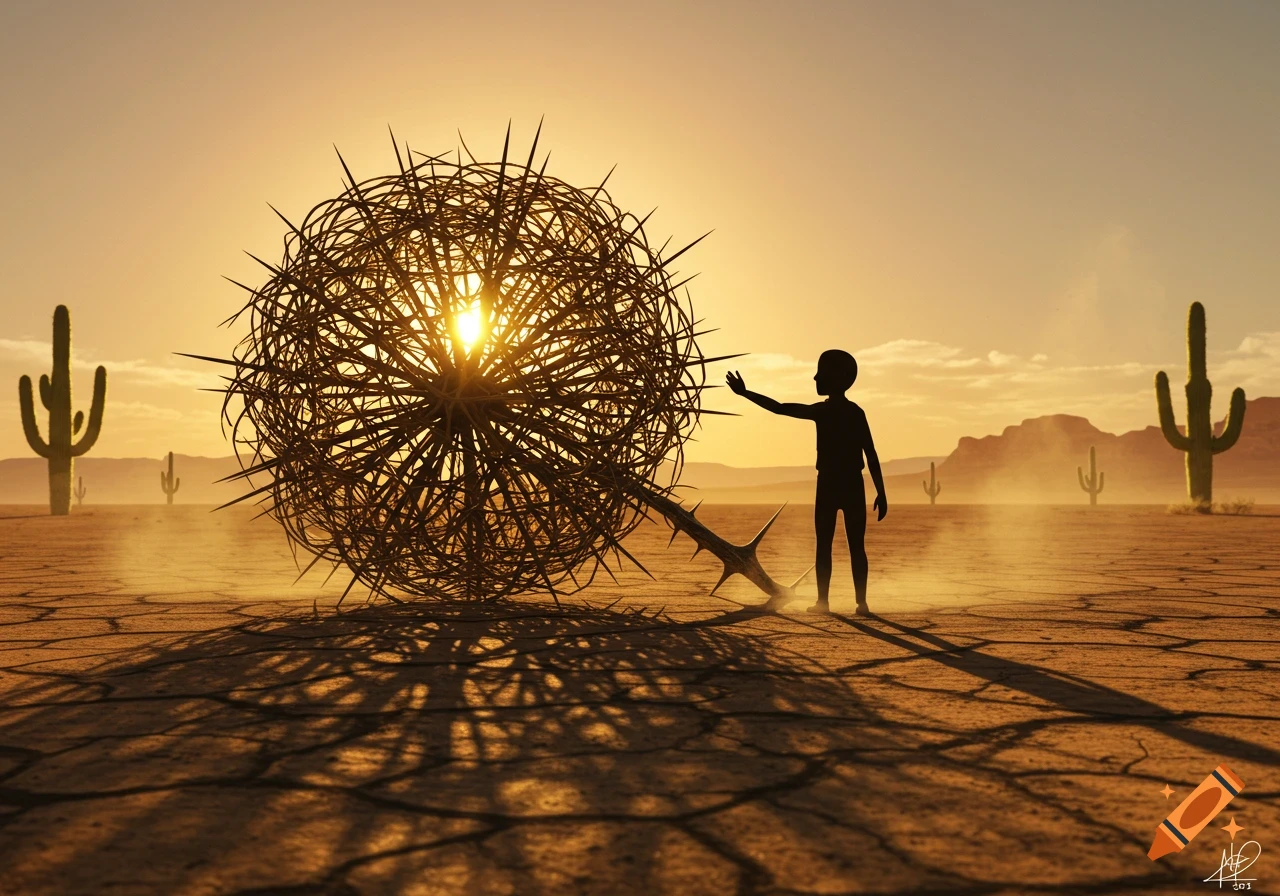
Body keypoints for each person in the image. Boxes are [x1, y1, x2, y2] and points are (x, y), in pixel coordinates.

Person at [726, 349, 887, 615]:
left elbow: (780, 408)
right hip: (851, 485)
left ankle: (826, 602)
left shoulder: (825, 412)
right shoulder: (854, 412)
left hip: (830, 485)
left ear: (835, 378)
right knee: (854, 545)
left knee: (826, 545)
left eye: (820, 373)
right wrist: (881, 491)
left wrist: (745, 393)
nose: (815, 377)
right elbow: (871, 454)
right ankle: (860, 603)